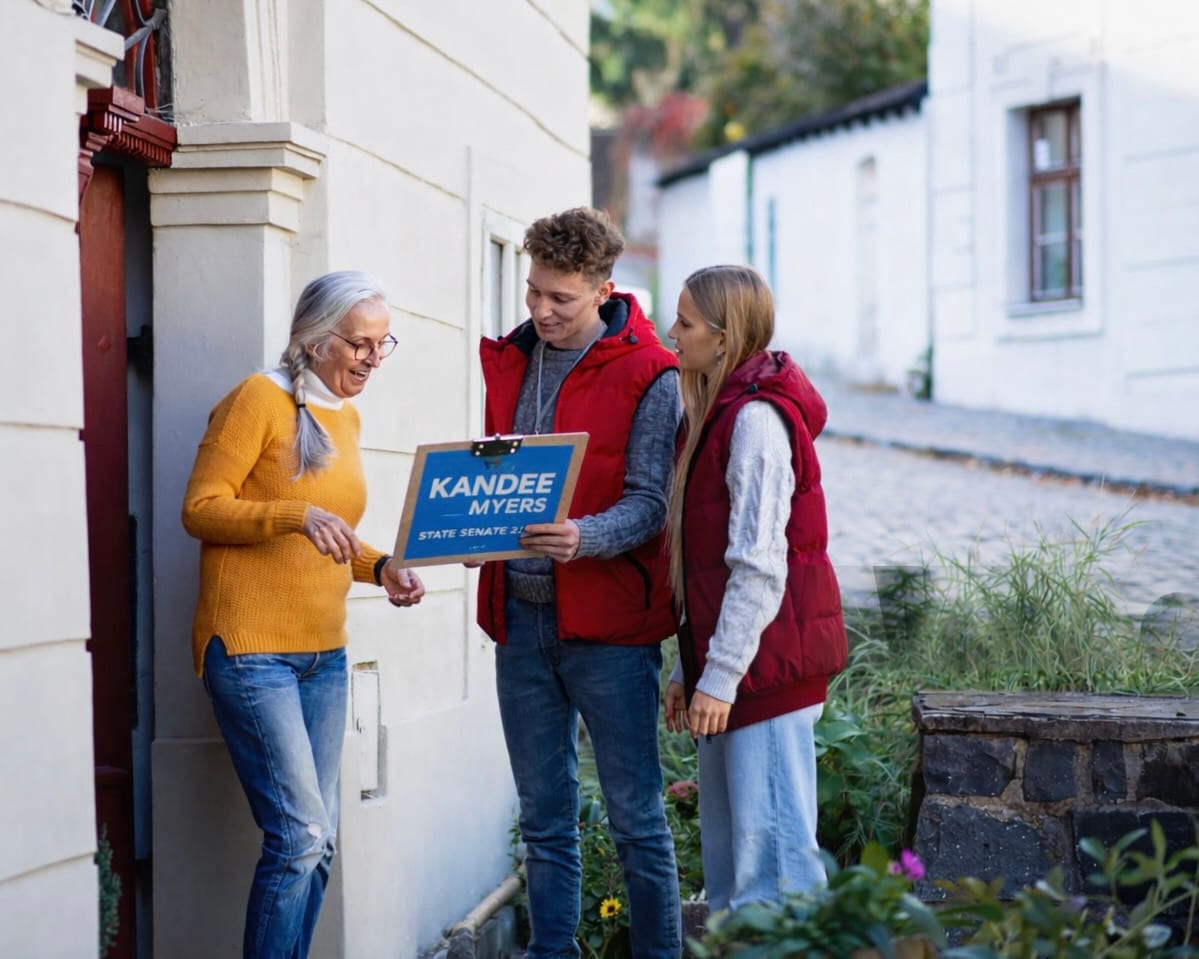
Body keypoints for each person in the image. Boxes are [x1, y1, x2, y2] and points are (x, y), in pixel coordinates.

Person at [181, 270, 426, 959]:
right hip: (251, 650)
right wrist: (293, 513)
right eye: (359, 344)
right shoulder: (256, 399)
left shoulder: (344, 416)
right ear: (316, 340)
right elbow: (200, 508)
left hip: (325, 655)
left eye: (382, 344)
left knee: (320, 845)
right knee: (300, 838)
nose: (372, 359)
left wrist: (381, 566)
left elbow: (332, 533)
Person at [476, 207, 683, 958]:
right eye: (534, 291)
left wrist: (581, 537)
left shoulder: (650, 372)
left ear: (602, 289)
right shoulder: (513, 358)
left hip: (610, 631)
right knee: (543, 819)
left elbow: (651, 504)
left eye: (559, 298)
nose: (541, 310)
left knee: (637, 819)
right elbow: (495, 480)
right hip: (520, 622)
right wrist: (470, 533)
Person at [662, 264, 847, 915]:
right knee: (732, 877)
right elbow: (705, 566)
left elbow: (760, 566)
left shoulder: (755, 423)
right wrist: (692, 668)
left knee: (774, 883)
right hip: (737, 669)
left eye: (684, 322)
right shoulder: (712, 414)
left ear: (723, 337)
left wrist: (717, 675)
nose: (671, 333)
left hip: (763, 676)